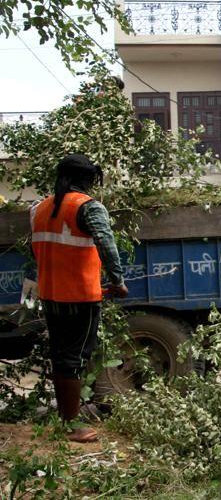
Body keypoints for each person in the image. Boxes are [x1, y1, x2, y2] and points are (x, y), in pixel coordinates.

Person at [30, 154, 128, 443]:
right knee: (74, 358)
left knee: (61, 357)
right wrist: (117, 281)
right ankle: (71, 426)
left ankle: (64, 421)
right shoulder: (88, 207)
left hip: (50, 294)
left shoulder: (39, 208)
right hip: (79, 296)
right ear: (88, 181)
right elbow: (105, 242)